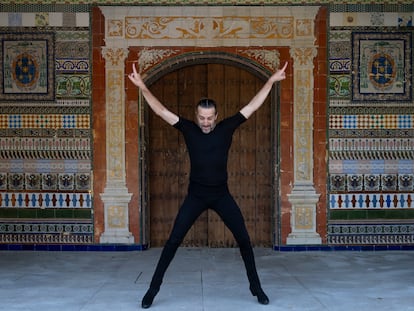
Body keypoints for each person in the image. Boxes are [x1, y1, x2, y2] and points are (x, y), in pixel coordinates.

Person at [128, 61, 288, 309]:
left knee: (244, 240)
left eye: (209, 118)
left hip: (221, 195)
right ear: (196, 116)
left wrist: (270, 81)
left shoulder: (226, 128)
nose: (205, 122)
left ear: (216, 116)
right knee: (173, 242)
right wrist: (142, 87)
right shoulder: (188, 129)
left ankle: (256, 288)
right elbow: (161, 111)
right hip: (196, 196)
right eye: (201, 118)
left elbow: (252, 106)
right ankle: (152, 290)